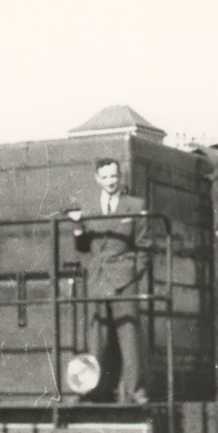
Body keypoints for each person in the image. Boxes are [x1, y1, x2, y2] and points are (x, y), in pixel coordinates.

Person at [69, 157, 150, 403]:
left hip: (124, 279)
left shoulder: (135, 205)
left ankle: (137, 391)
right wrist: (78, 227)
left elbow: (144, 245)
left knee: (130, 336)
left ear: (120, 177)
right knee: (96, 336)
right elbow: (83, 246)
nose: (110, 181)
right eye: (105, 177)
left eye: (114, 176)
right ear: (97, 179)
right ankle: (91, 389)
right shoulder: (87, 206)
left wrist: (132, 272)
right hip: (98, 277)